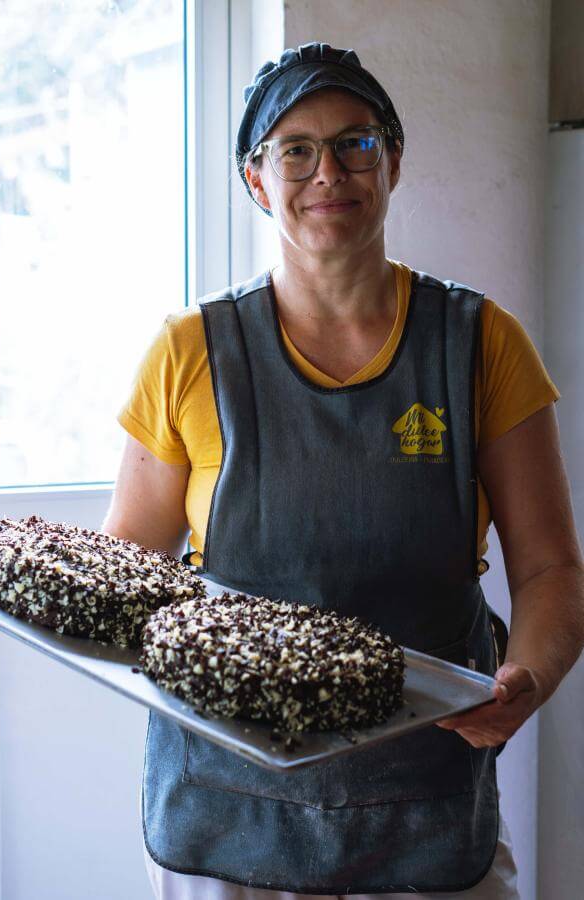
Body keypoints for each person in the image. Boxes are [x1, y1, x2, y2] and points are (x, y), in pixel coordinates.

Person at [102, 42, 584, 900]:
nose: (330, 171)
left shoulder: (479, 344)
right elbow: (126, 581)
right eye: (296, 149)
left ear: (392, 162)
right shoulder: (189, 353)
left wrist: (530, 679)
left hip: (424, 799)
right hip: (225, 805)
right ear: (257, 181)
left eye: (356, 142)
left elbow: (550, 569)